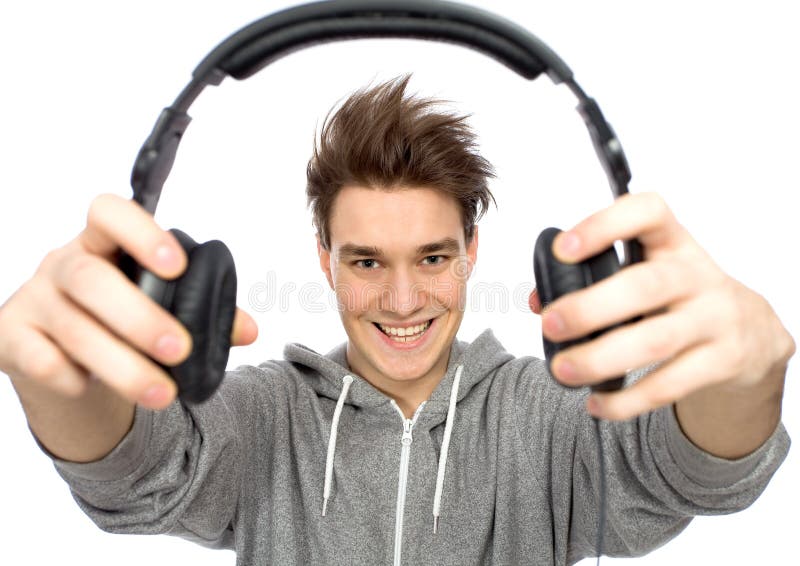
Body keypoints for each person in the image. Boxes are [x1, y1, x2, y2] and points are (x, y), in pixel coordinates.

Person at [0, 74, 793, 565]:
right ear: (325, 258)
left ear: (474, 251)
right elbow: (134, 473)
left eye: (434, 258)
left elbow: (694, 472)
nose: (405, 300)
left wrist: (746, 373)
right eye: (367, 261)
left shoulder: (546, 419)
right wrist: (55, 376)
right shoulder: (267, 417)